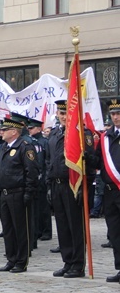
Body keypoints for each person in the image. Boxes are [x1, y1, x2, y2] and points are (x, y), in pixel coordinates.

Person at [47, 99, 95, 277]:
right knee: (62, 225)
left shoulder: (82, 133)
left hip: (73, 184)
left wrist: (85, 185)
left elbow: (89, 164)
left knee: (75, 225)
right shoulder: (54, 134)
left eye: (67, 113)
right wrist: (49, 186)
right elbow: (48, 161)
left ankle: (77, 264)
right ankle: (67, 261)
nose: (64, 117)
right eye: (61, 113)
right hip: (57, 183)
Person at [0, 118, 39, 273]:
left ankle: (21, 261)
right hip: (5, 192)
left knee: (20, 228)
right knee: (8, 229)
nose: (1, 132)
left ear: (14, 131)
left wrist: (29, 192)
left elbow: (32, 171)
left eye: (4, 130)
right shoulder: (3, 147)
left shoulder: (25, 147)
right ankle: (11, 258)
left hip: (18, 192)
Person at [93, 100, 120, 283]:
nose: (116, 117)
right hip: (110, 191)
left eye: (118, 113)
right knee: (115, 232)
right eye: (113, 114)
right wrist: (85, 156)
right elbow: (98, 162)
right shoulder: (105, 137)